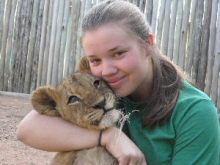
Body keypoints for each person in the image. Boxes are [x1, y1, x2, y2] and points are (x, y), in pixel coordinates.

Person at [16, 0, 220, 164]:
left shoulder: (194, 111)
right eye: (95, 60)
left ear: (148, 45)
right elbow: (27, 129)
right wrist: (109, 137)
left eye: (119, 53)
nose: (107, 71)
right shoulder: (105, 91)